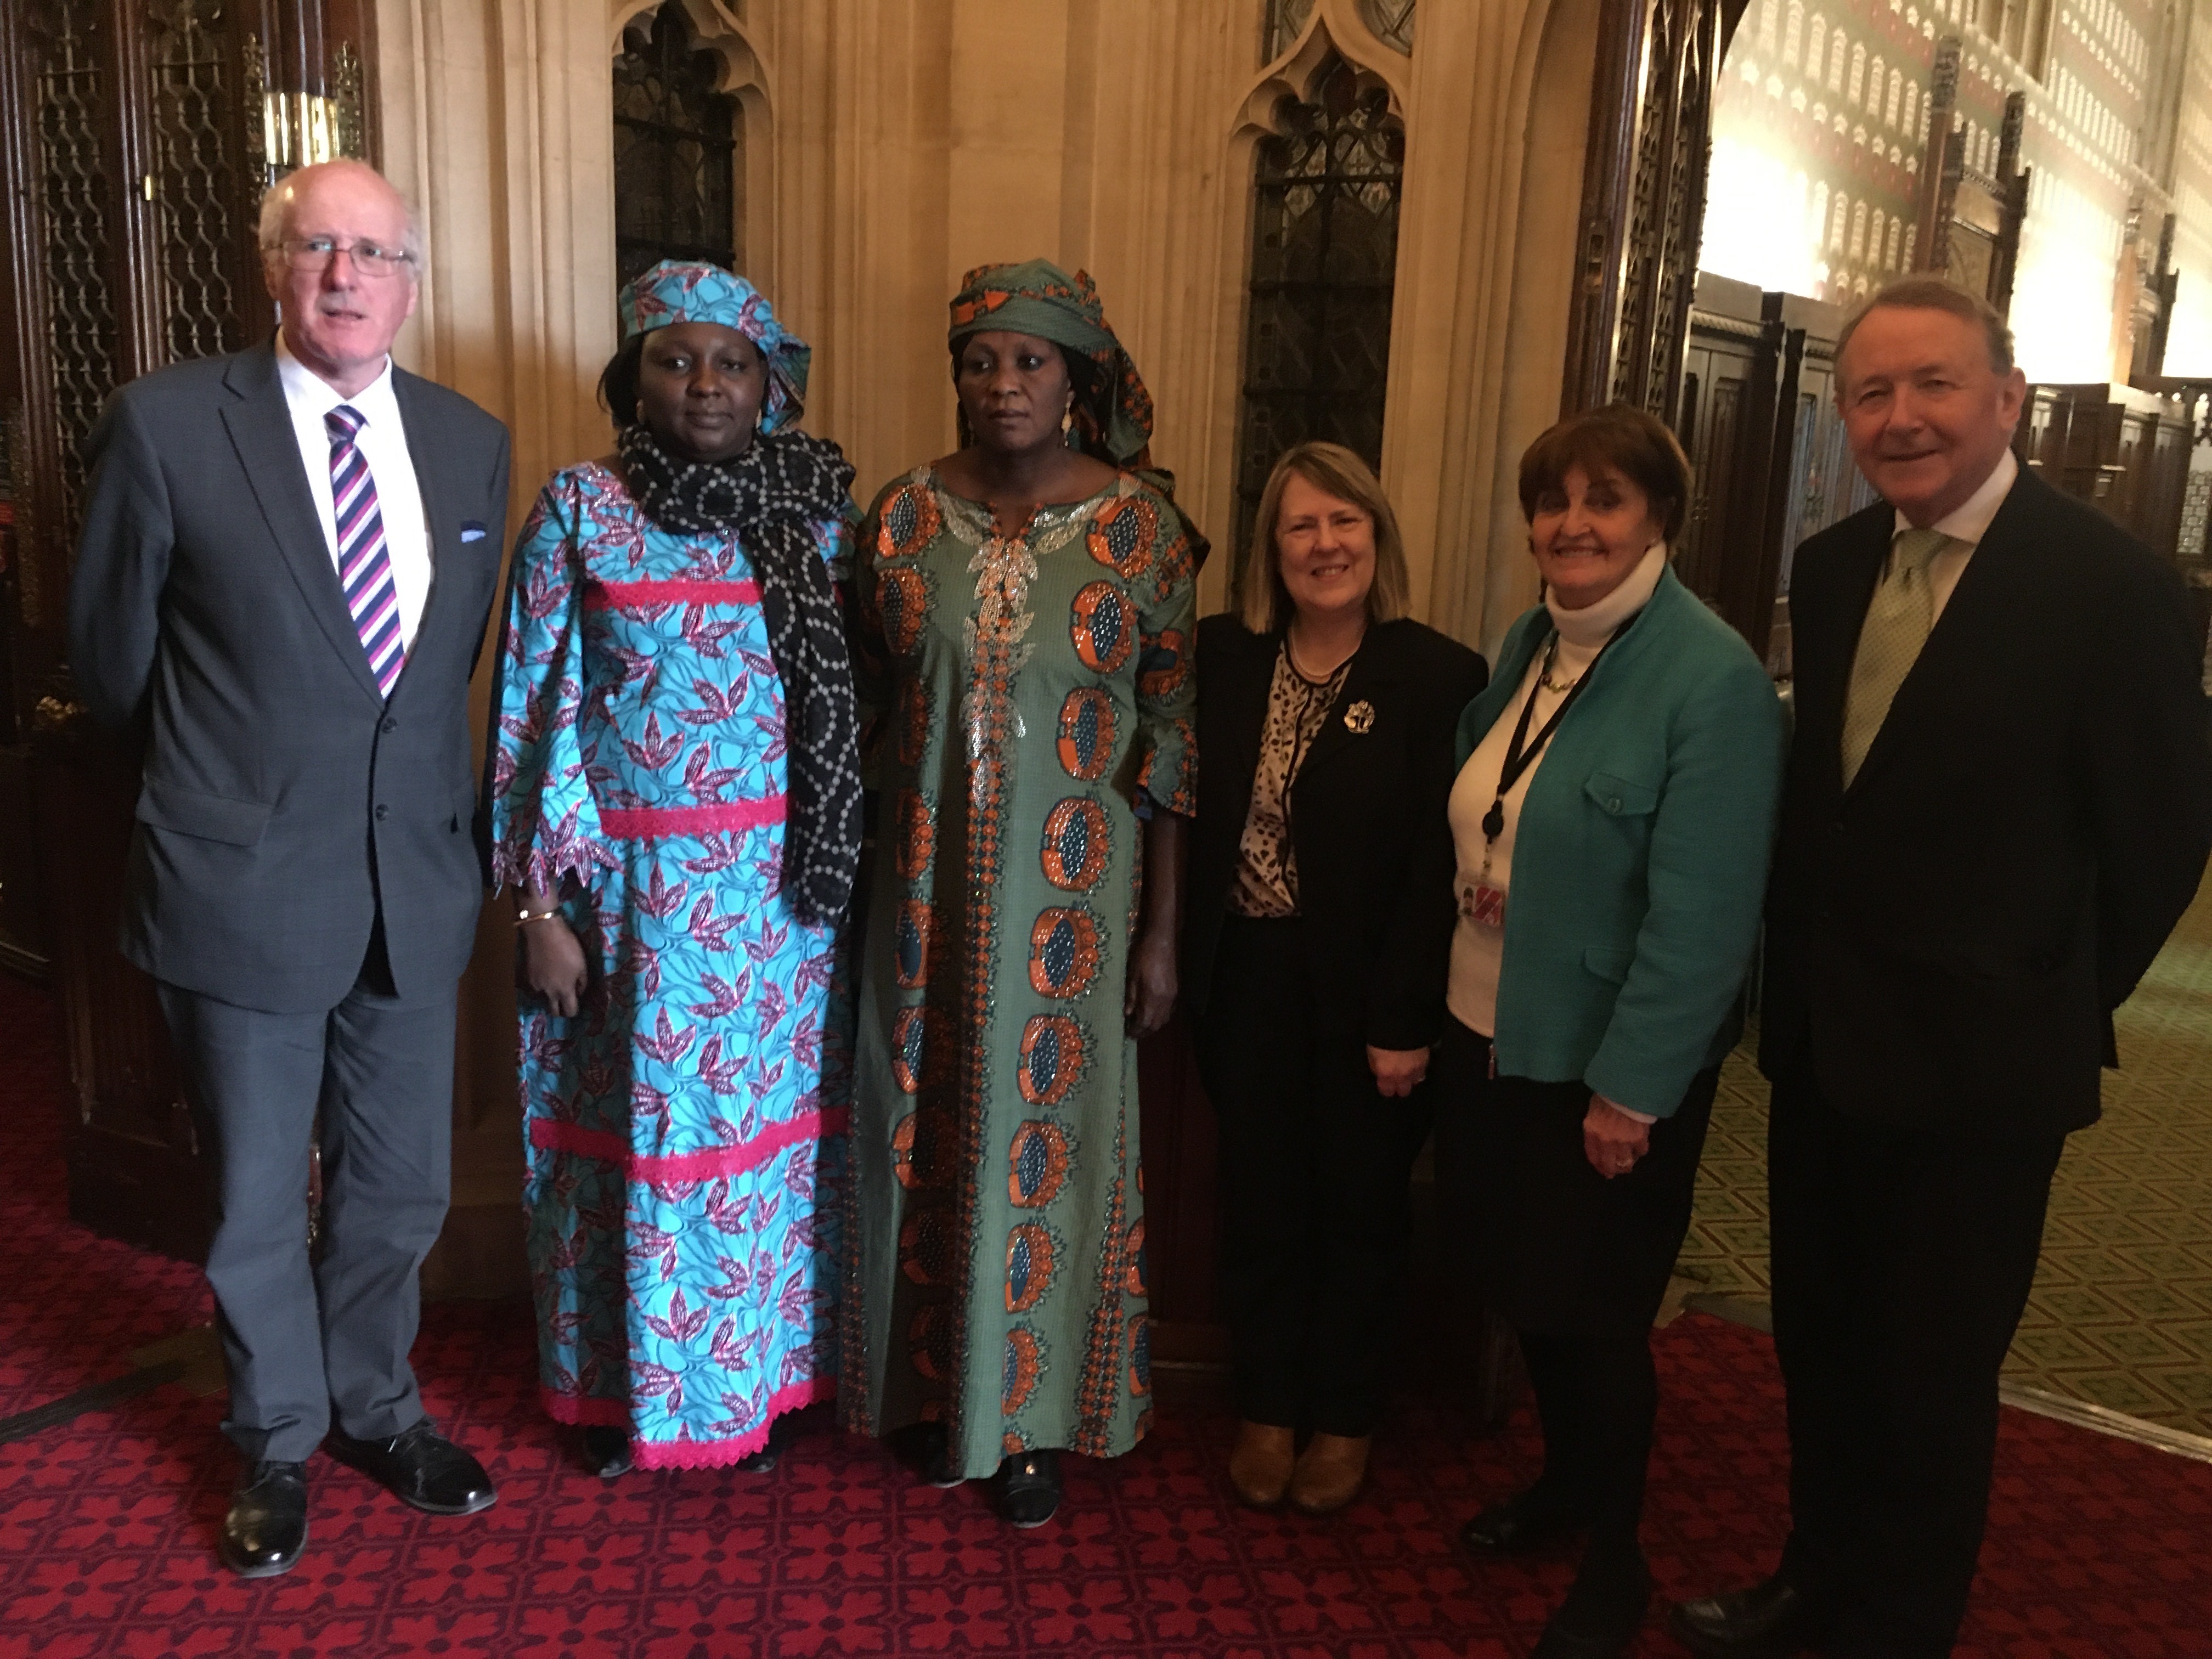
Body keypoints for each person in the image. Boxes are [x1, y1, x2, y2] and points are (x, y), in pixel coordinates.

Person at [1672, 279, 2212, 1658]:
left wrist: (2041, 996)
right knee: (1823, 1344)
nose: (1901, 418)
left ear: (2008, 401)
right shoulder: (1841, 563)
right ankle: (1812, 1578)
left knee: (1931, 1376)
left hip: (1983, 1074)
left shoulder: (2113, 589)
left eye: (1935, 386)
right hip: (1825, 1048)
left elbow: (2159, 844)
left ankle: (1895, 1629)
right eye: (1871, 393)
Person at [66, 160, 510, 1577]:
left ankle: (376, 1409)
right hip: (237, 882)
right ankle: (273, 1435)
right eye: (317, 245)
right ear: (272, 264)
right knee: (258, 1195)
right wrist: (226, 791)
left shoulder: (470, 441)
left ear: (409, 280)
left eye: (374, 252)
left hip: (414, 888)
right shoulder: (169, 425)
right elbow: (111, 662)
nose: (345, 275)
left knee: (398, 1192)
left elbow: (448, 668)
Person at [839, 260, 1199, 1527]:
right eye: (981, 362)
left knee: (1045, 1153)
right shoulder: (895, 522)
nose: (1004, 385)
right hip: (918, 909)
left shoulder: (1142, 535)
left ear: (1077, 377)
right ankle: (931, 1393)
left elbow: (1169, 746)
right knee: (917, 1125)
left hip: (1072, 925)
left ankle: (1035, 1423)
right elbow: (863, 714)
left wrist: (1160, 935)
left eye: (1031, 362)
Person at [488, 261, 859, 1480]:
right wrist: (541, 907)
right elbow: (536, 712)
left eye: (731, 361)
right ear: (632, 381)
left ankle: (743, 1398)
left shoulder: (814, 516)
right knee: (627, 1153)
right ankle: (619, 1400)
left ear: (771, 387)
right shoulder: (579, 510)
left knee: (752, 1155)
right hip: (627, 903)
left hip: (775, 910)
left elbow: (846, 709)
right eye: (673, 358)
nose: (704, 382)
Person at [1430, 405, 1787, 1658]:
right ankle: (1567, 1490)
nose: (1572, 523)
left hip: (1605, 1075)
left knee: (1600, 1321)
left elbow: (1704, 924)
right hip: (1490, 1032)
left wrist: (1631, 1095)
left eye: (1607, 500)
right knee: (1533, 1298)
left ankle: (1620, 1560)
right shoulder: (1533, 641)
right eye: (1553, 500)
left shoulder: (1715, 681)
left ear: (1658, 520)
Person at [1182, 442, 1485, 1515]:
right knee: (1261, 1202)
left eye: (1344, 522)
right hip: (1246, 980)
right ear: (1273, 548)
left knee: (1361, 1210)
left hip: (1372, 996)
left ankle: (1347, 1415)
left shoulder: (1440, 676)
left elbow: (1435, 870)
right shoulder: (1222, 657)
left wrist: (1404, 1019)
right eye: (1302, 526)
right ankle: (1268, 1406)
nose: (1325, 545)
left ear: (1378, 536)